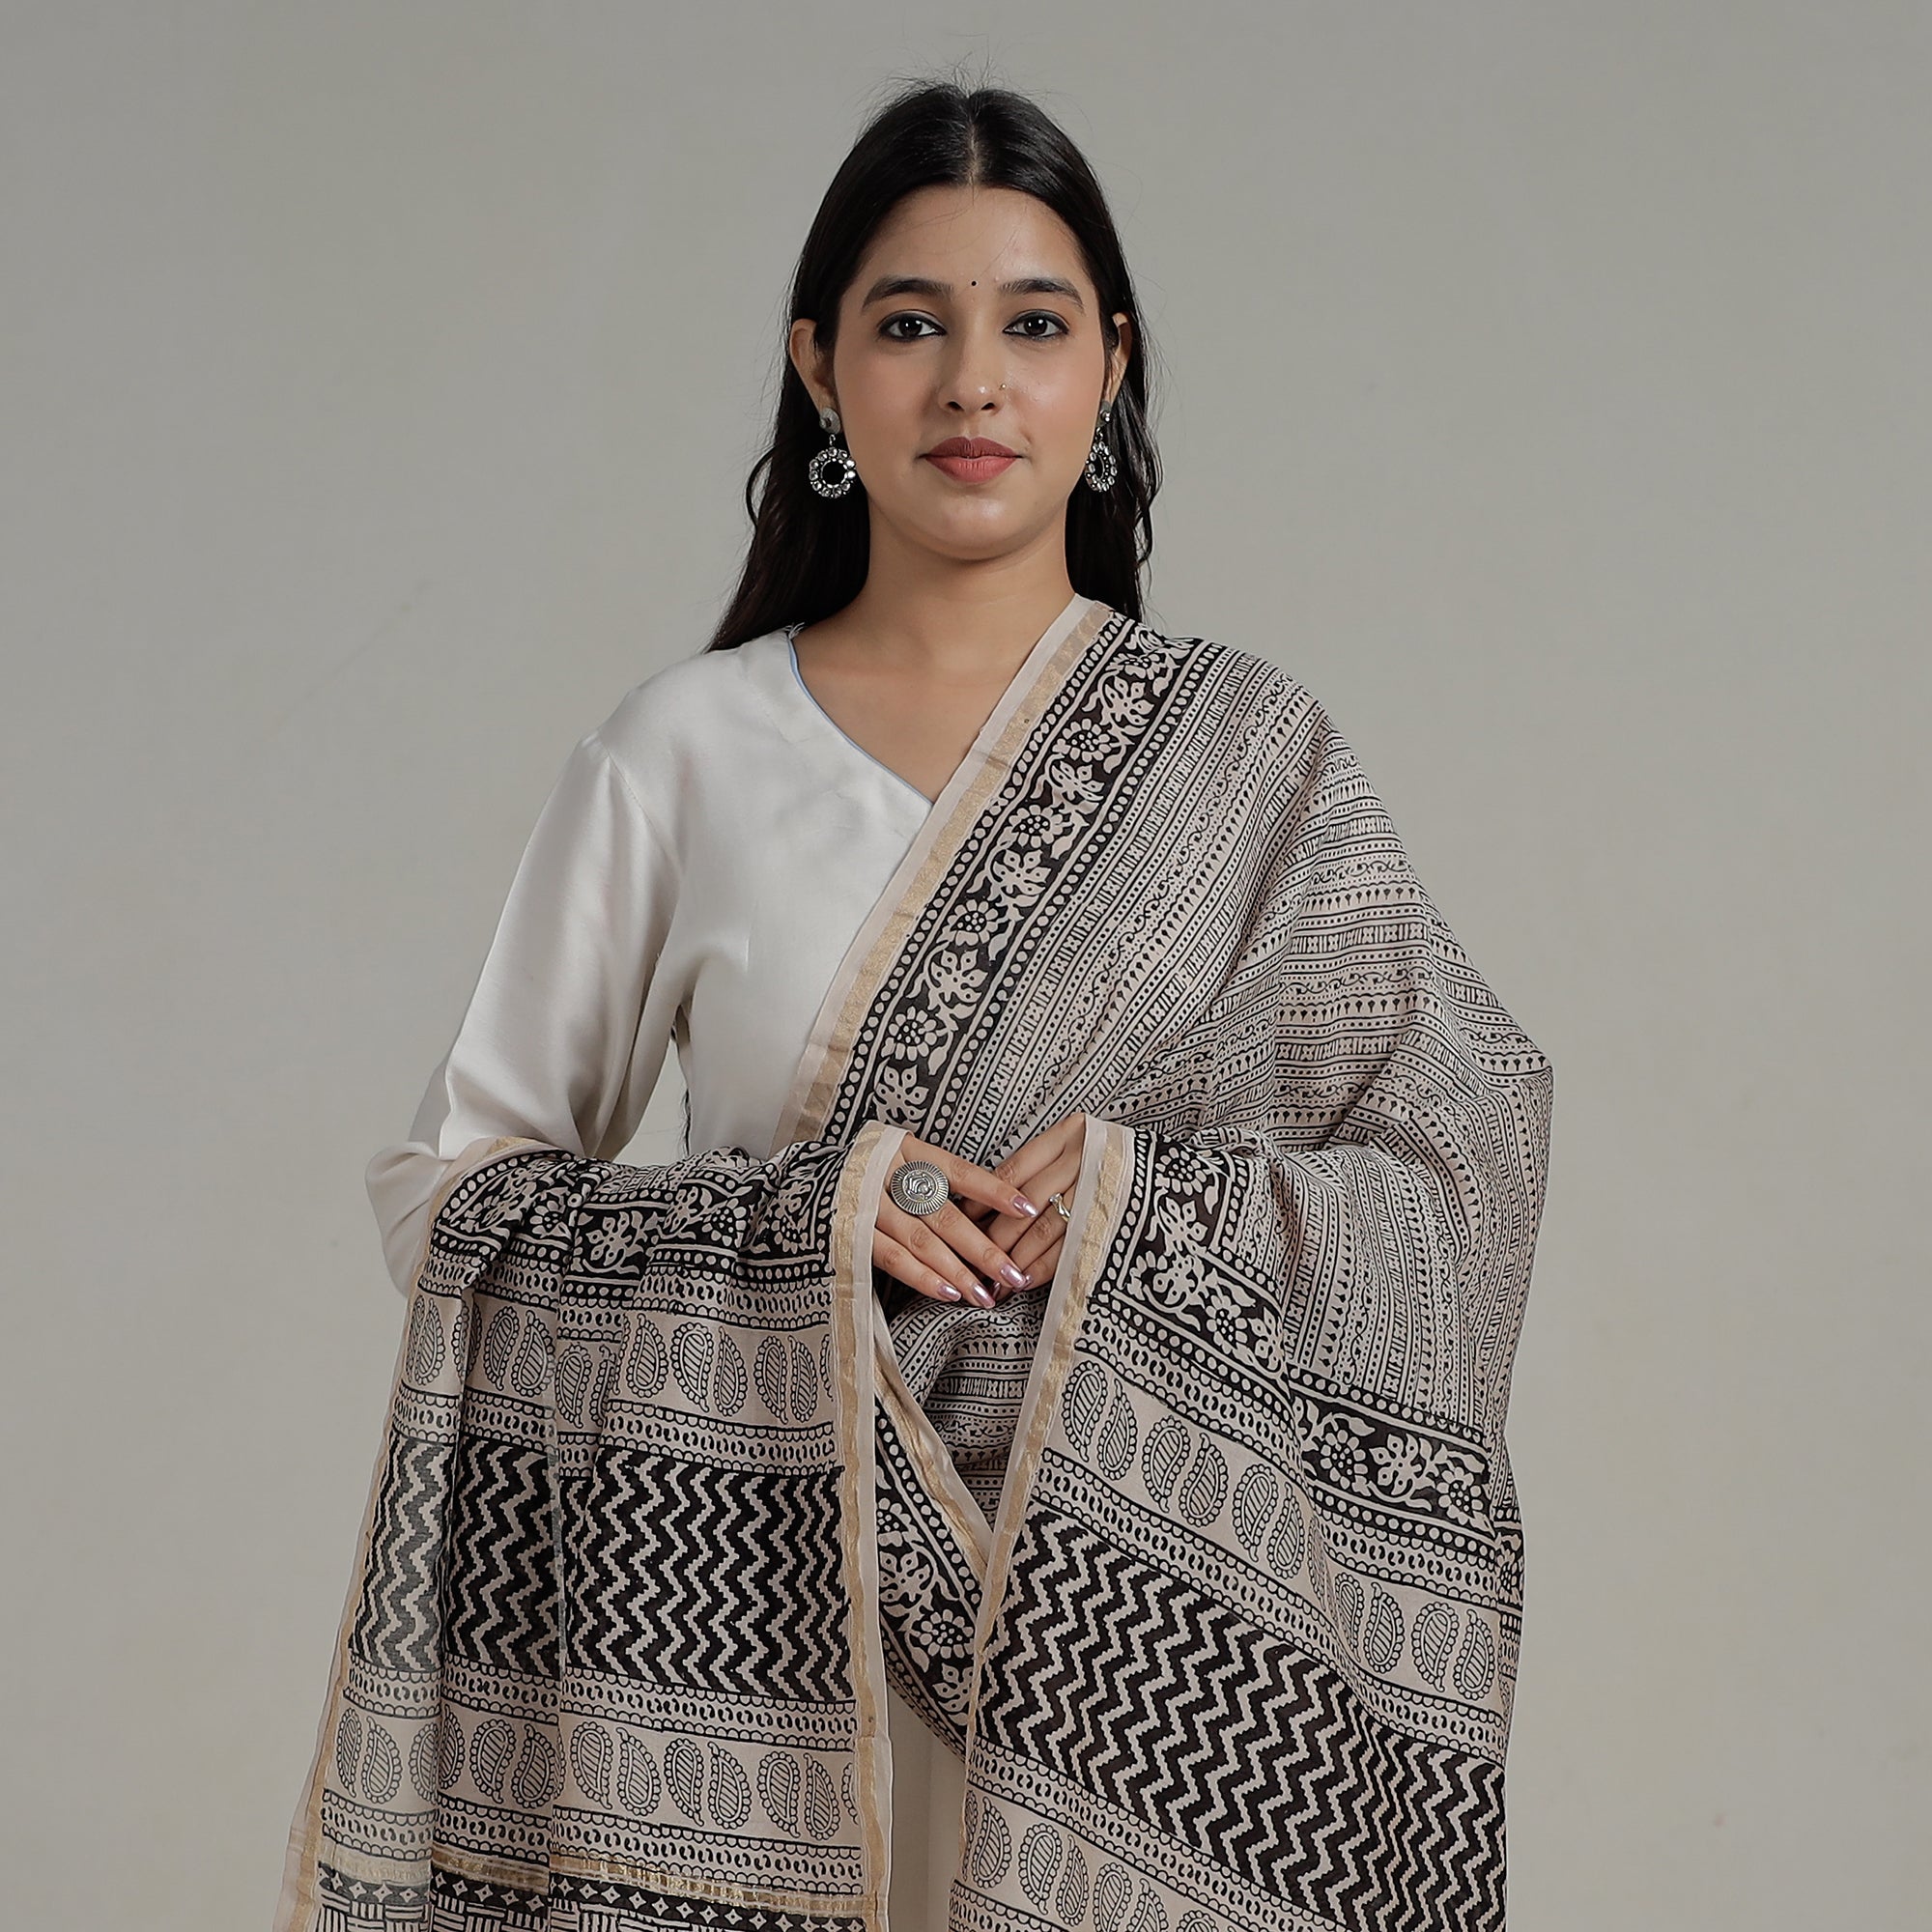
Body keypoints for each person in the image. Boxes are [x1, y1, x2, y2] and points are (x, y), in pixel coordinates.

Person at [280, 77, 1554, 1932]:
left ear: (1110, 370)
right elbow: (452, 1195)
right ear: (820, 369)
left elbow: (1462, 1159)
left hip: (1151, 1701)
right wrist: (808, 1225)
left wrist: (1146, 1206)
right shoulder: (685, 751)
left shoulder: (1252, 764)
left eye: (1033, 325)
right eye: (908, 326)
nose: (973, 384)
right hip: (763, 1675)